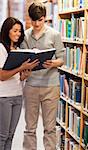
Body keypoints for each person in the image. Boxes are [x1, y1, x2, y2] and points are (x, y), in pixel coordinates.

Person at [20, 2, 64, 150]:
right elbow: (22, 60)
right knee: (30, 128)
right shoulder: (25, 35)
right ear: (30, 18)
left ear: (44, 18)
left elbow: (62, 59)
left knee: (50, 128)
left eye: (40, 20)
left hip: (50, 86)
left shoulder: (55, 34)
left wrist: (53, 63)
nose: (36, 23)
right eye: (33, 20)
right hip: (31, 85)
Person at [0, 17, 39, 150]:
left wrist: (25, 74)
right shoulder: (1, 49)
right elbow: (2, 76)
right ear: (7, 31)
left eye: (20, 31)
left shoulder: (16, 49)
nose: (18, 34)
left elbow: (18, 77)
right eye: (15, 30)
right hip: (4, 97)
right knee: (2, 136)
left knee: (11, 135)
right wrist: (21, 68)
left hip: (17, 95)